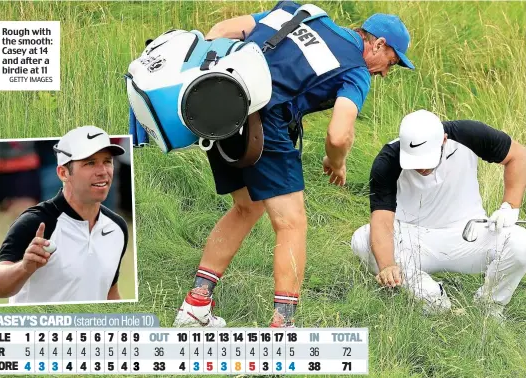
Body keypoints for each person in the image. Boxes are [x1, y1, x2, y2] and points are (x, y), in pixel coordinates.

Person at [174, 1, 414, 327]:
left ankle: (195, 306)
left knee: (248, 206)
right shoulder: (356, 71)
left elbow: (222, 31)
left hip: (222, 103)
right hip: (264, 125)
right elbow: (339, 134)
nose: (386, 72)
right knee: (292, 222)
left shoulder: (302, 13)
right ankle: (281, 329)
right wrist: (335, 160)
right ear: (378, 45)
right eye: (391, 63)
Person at [351, 110, 526, 318]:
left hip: (469, 235)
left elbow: (518, 155)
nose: (422, 167)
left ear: (443, 140)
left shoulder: (468, 134)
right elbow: (382, 218)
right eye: (415, 161)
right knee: (362, 239)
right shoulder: (388, 158)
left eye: (427, 158)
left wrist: (510, 207)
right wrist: (388, 265)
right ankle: (433, 298)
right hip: (415, 241)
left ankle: (489, 307)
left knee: (520, 242)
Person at [0, 126, 130, 304]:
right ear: (63, 173)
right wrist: (24, 268)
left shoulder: (117, 227)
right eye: (90, 163)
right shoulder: (35, 222)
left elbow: (109, 292)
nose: (102, 171)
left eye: (107, 161)